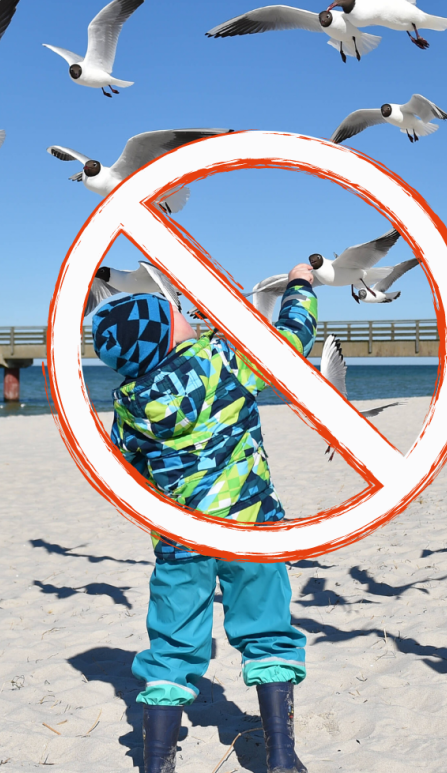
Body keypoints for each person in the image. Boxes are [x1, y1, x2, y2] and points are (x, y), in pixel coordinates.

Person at [93, 263, 317, 773]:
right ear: (164, 332)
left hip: (179, 541)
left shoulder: (130, 404)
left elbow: (125, 472)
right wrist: (300, 285)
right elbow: (292, 341)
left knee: (172, 646)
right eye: (175, 313)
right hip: (250, 527)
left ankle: (156, 763)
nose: (186, 314)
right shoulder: (224, 359)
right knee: (268, 632)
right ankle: (281, 755)